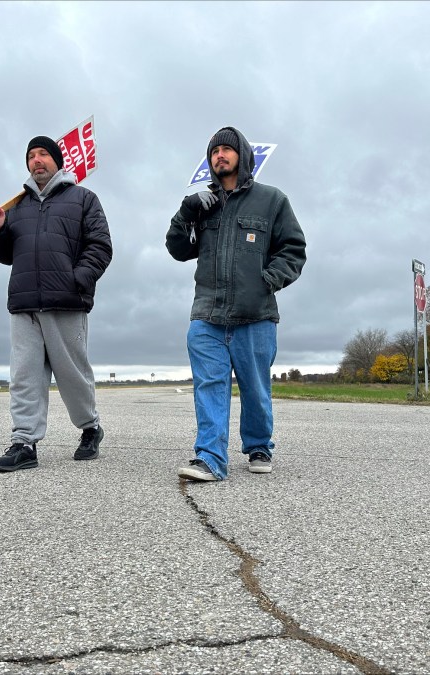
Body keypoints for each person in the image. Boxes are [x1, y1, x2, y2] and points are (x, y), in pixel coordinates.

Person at [166, 126, 306, 481]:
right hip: (207, 315)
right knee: (209, 385)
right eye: (214, 152)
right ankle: (210, 457)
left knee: (256, 389)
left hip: (256, 315)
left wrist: (268, 281)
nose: (219, 156)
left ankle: (259, 444)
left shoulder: (272, 200)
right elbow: (178, 249)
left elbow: (292, 248)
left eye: (227, 150)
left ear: (243, 157)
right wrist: (186, 213)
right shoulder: (203, 205)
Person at [0, 135, 112, 472]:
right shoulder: (17, 207)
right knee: (24, 376)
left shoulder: (83, 199)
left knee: (73, 376)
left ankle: (90, 428)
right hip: (24, 303)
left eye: (43, 154)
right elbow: (6, 255)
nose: (37, 160)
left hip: (66, 302)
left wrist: (76, 279)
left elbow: (100, 246)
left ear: (58, 160)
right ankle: (24, 443)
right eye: (31, 156)